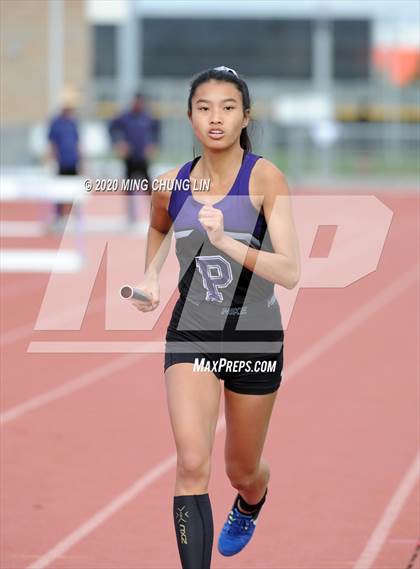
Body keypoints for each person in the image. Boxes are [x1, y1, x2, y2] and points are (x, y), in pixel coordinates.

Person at [131, 67, 300, 568]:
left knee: (241, 469)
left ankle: (251, 501)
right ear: (189, 117)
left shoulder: (265, 178)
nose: (216, 118)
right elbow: (159, 230)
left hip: (254, 339)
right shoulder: (169, 184)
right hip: (193, 332)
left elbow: (289, 271)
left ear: (245, 116)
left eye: (228, 107)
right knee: (191, 463)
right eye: (204, 108)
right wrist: (150, 278)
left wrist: (227, 240)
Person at [109, 92, 160, 226]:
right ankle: (131, 216)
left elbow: (157, 131)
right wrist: (118, 143)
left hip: (143, 159)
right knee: (129, 187)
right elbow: (112, 129)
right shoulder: (124, 117)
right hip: (129, 159)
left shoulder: (148, 118)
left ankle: (154, 214)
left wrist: (153, 145)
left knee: (149, 188)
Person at [47, 88, 81, 229]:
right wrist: (51, 158)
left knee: (73, 191)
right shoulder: (56, 122)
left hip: (73, 161)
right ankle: (59, 217)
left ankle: (71, 216)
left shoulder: (73, 123)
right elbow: (52, 143)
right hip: (61, 162)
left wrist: (82, 161)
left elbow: (78, 142)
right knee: (59, 191)